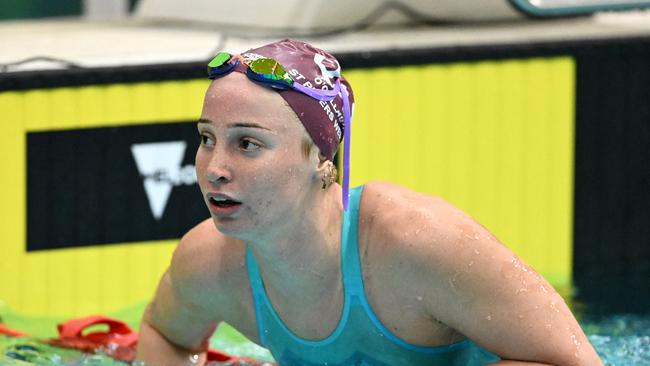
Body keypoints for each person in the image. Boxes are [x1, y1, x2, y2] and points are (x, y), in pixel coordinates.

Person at [135, 39, 603, 366]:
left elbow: (576, 363)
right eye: (206, 138)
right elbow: (164, 337)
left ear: (321, 157)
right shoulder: (209, 264)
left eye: (247, 145)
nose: (214, 166)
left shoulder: (414, 242)